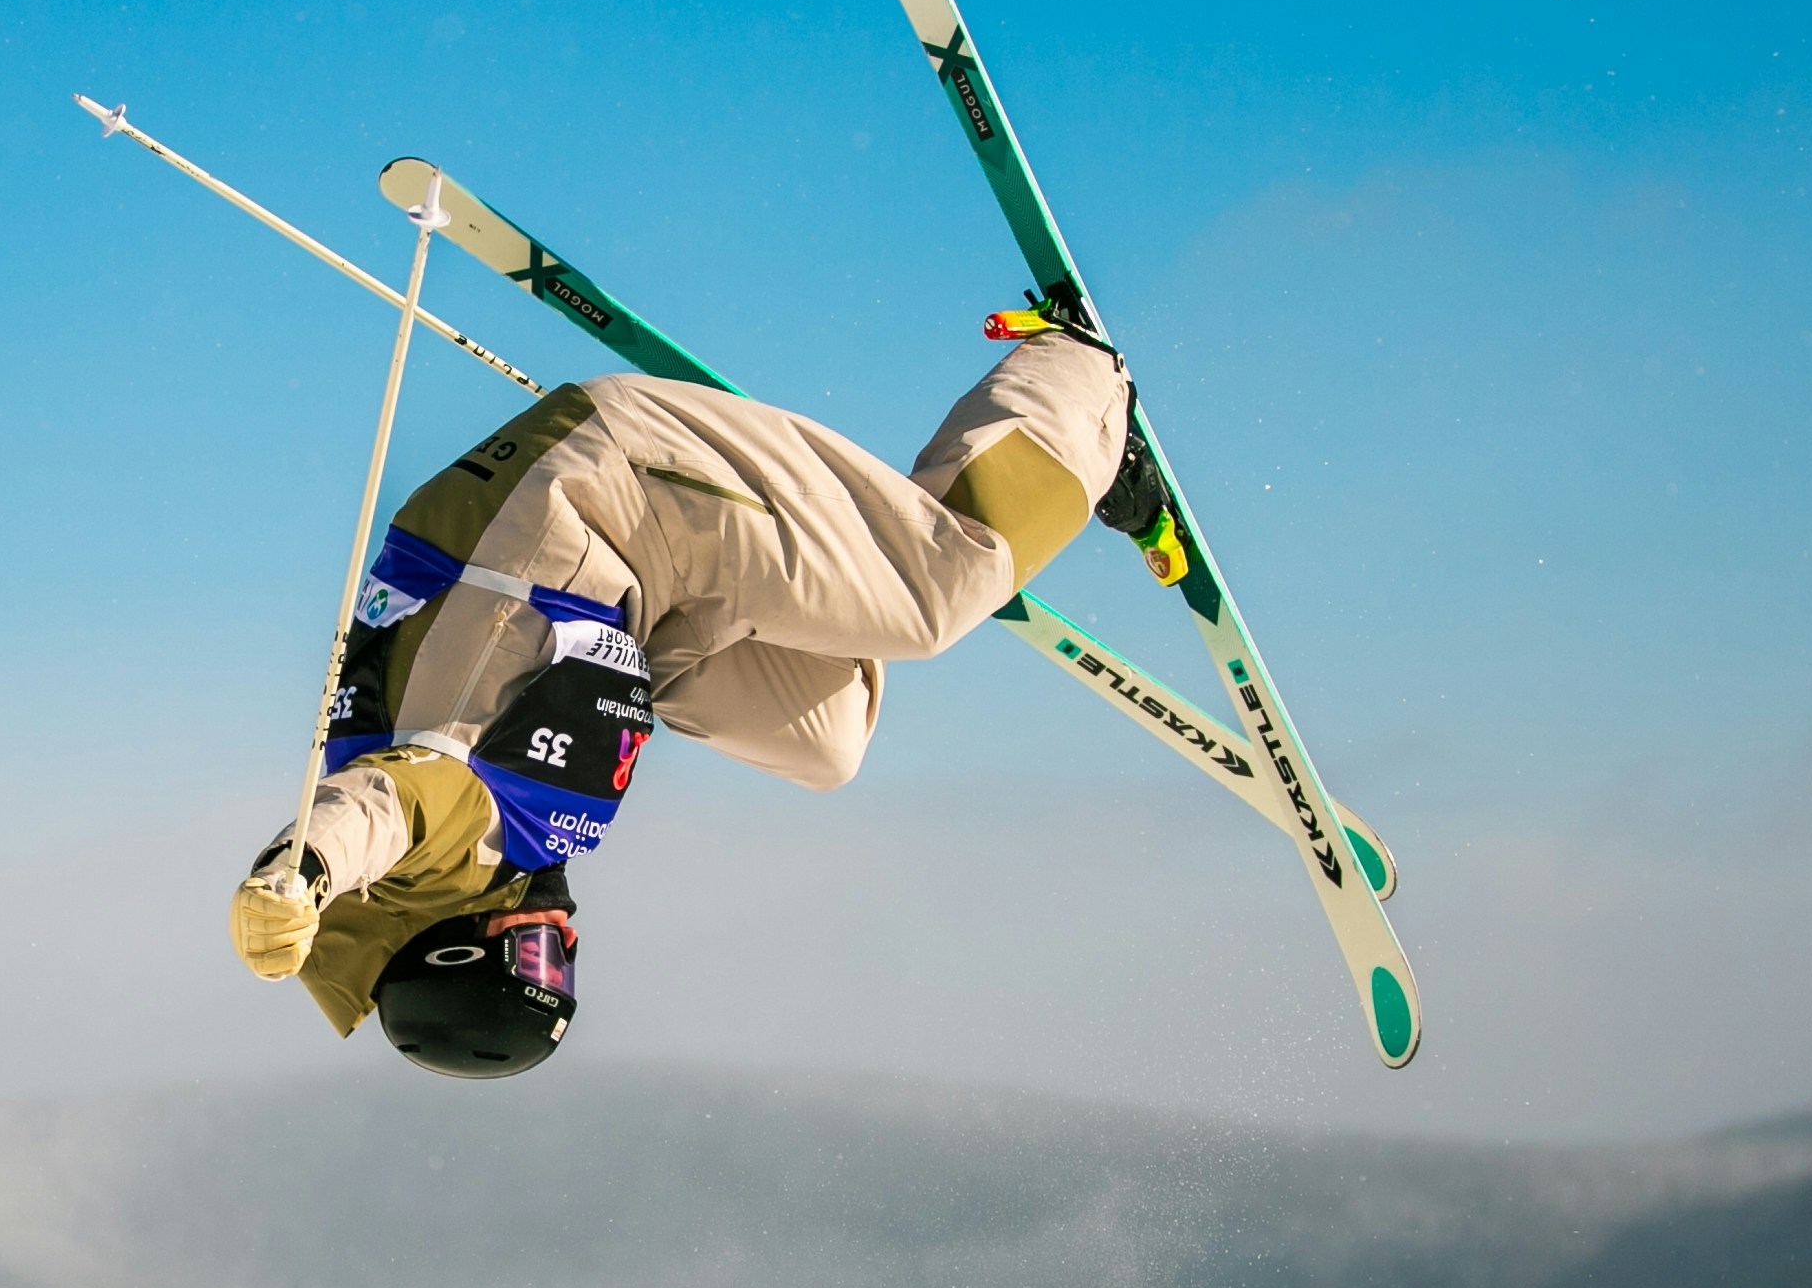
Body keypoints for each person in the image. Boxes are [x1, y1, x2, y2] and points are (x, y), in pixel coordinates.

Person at [229, 306, 1179, 1078]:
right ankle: (825, 554)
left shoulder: (439, 846)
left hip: (612, 482)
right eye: (565, 963)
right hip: (637, 590)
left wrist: (295, 874)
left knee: (939, 590)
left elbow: (371, 813)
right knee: (827, 741)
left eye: (539, 959)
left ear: (457, 951)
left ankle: (1080, 382)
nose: (561, 937)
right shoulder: (488, 855)